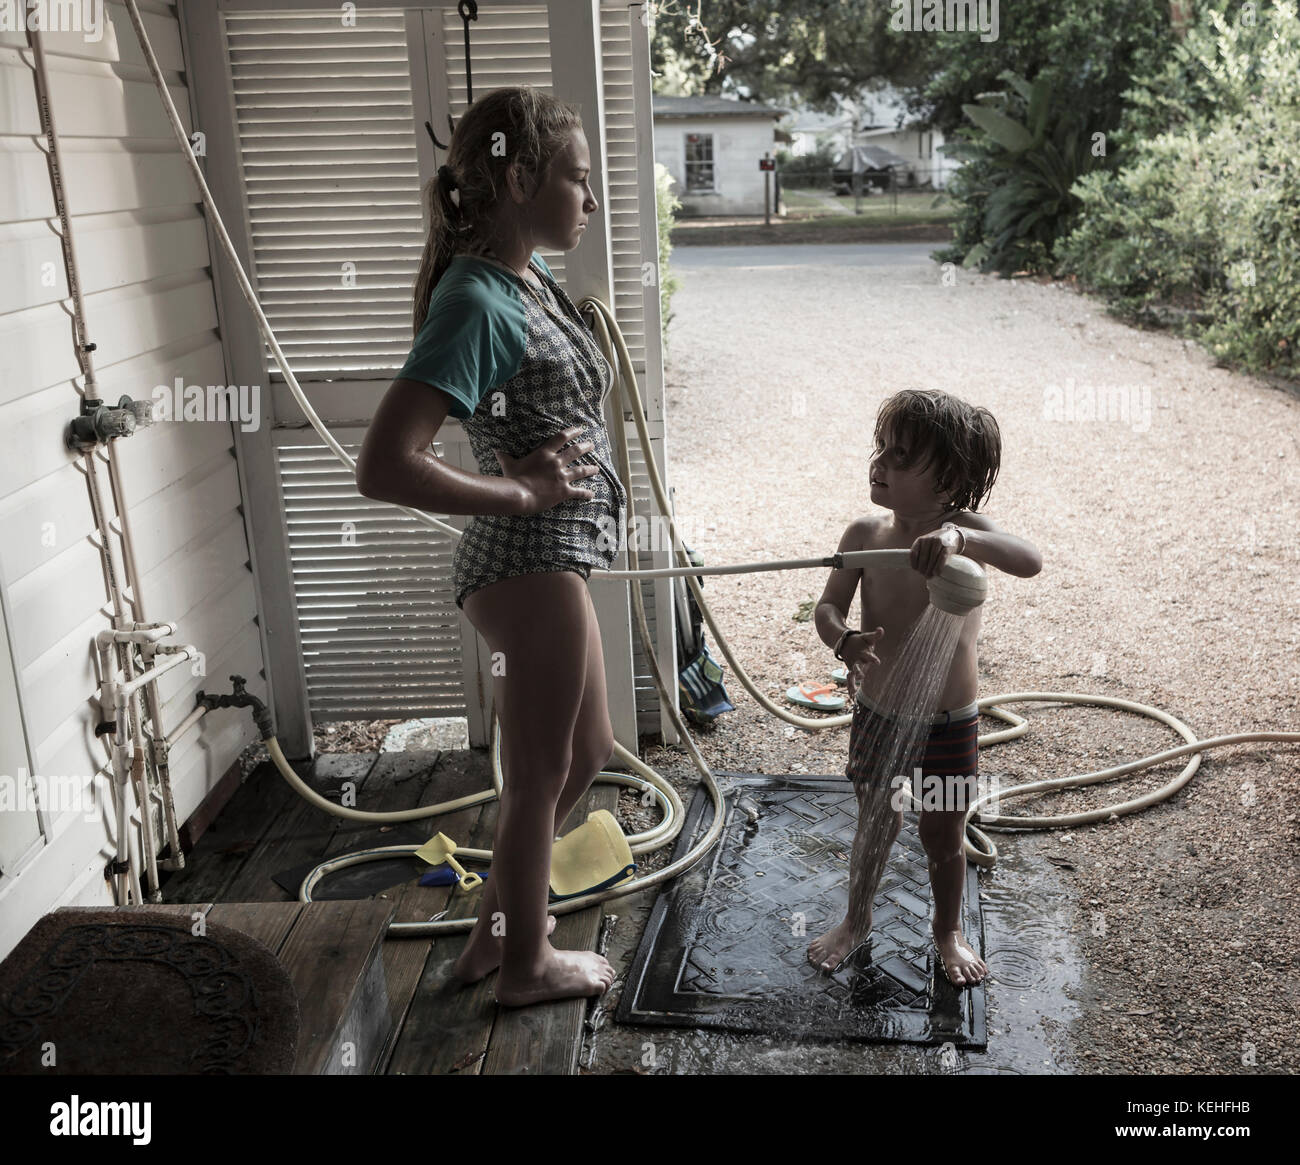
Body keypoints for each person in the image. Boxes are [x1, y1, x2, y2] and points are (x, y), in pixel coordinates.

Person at [356, 86, 626, 1005]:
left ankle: (493, 933)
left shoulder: (519, 275)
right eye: (577, 181)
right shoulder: (477, 295)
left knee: (585, 752)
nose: (591, 200)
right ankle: (525, 968)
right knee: (540, 772)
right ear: (519, 179)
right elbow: (387, 464)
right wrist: (521, 488)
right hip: (525, 559)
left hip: (550, 556)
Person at [807, 389, 1043, 987]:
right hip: (880, 713)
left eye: (900, 455)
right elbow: (828, 606)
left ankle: (947, 931)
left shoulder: (962, 531)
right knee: (875, 824)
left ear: (950, 482)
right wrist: (844, 641)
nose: (879, 464)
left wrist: (961, 541)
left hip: (948, 722)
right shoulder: (863, 534)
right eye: (880, 449)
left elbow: (1029, 559)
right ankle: (856, 919)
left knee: (943, 835)